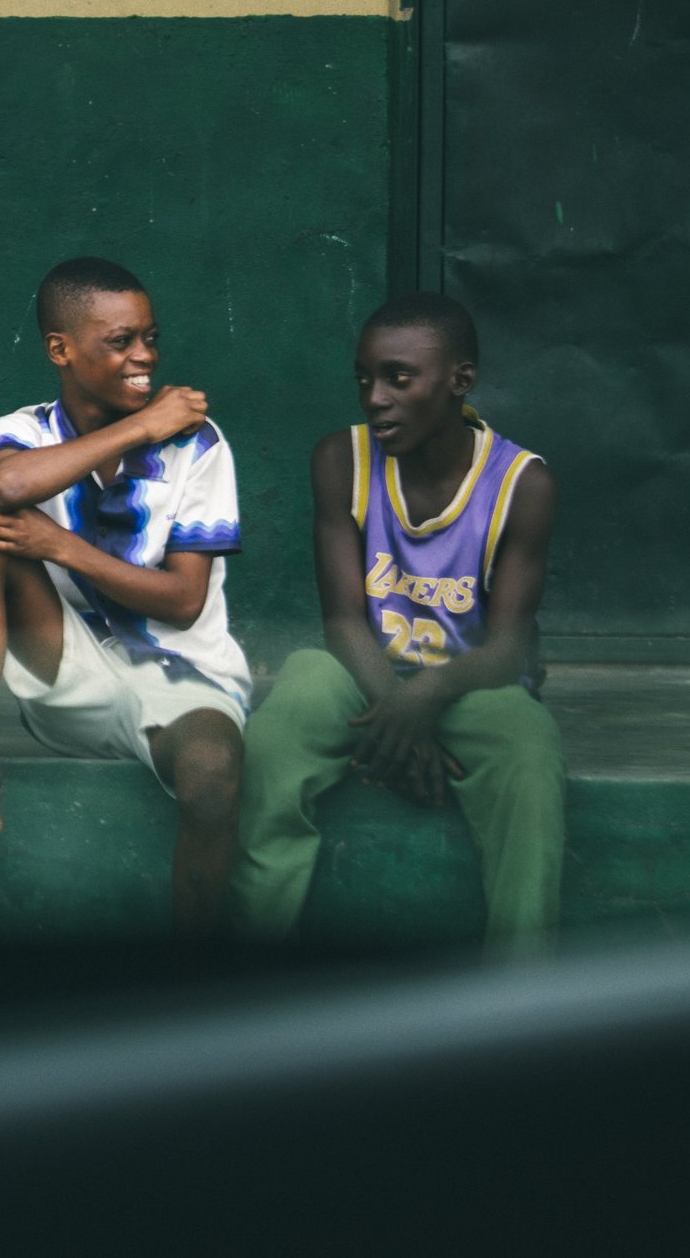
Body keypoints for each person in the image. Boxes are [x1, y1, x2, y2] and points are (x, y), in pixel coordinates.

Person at [0, 256, 250, 940]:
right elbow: (10, 484)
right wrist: (141, 425)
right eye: (121, 341)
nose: (145, 356)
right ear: (61, 349)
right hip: (68, 671)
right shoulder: (23, 429)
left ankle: (194, 976)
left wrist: (62, 546)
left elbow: (184, 600)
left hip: (185, 677)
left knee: (212, 770)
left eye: (151, 337)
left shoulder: (198, 444)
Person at [228, 293, 563, 951]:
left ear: (459, 380)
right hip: (364, 675)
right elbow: (343, 621)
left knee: (530, 747)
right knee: (284, 716)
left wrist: (425, 697)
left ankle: (521, 996)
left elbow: (506, 649)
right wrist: (397, 713)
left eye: (398, 378)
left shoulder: (524, 483)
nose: (373, 396)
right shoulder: (339, 459)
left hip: (470, 684)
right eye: (363, 378)